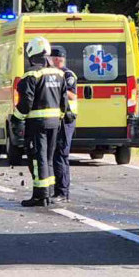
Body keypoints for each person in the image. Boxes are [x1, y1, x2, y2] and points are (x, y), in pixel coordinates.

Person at [12, 37, 66, 207]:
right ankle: (48, 193)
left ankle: (39, 195)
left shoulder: (31, 75)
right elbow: (64, 101)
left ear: (32, 54)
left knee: (38, 158)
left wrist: (16, 118)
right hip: (54, 123)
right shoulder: (59, 74)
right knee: (49, 158)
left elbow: (26, 102)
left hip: (37, 124)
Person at [50, 45, 78, 204]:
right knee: (55, 155)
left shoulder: (68, 75)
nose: (56, 61)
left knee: (61, 154)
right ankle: (57, 190)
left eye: (59, 58)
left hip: (67, 118)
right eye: (54, 58)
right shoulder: (53, 74)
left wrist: (57, 86)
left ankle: (63, 192)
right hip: (56, 118)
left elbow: (73, 96)